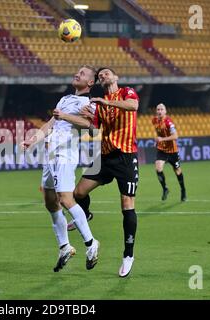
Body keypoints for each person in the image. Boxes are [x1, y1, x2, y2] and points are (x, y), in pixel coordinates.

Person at [61, 67, 140, 278]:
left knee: (127, 204)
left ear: (116, 77)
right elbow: (94, 129)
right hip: (105, 157)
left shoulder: (126, 93)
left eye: (106, 73)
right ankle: (85, 214)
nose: (103, 75)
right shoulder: (98, 104)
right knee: (78, 193)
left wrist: (107, 103)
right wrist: (88, 118)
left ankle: (128, 255)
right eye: (101, 75)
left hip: (125, 156)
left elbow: (133, 106)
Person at [22, 65, 100, 272]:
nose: (77, 74)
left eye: (82, 73)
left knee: (65, 199)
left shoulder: (88, 103)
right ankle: (65, 246)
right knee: (50, 202)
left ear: (90, 83)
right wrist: (33, 141)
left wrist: (65, 116)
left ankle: (91, 243)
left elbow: (91, 127)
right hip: (50, 155)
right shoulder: (65, 99)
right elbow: (50, 124)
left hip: (66, 154)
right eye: (77, 71)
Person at [152, 103, 187, 202]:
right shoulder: (154, 120)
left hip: (172, 151)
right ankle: (165, 189)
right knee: (158, 168)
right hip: (162, 150)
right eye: (158, 109)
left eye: (161, 109)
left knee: (177, 171)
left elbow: (175, 136)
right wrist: (158, 141)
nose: (159, 111)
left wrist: (162, 139)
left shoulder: (169, 122)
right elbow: (159, 133)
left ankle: (183, 190)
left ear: (165, 111)